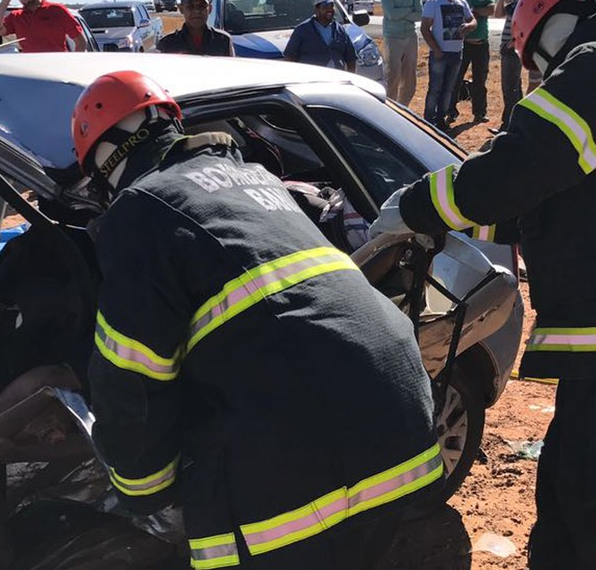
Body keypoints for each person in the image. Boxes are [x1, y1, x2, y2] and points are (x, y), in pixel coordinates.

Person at [368, 0, 596, 569]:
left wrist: (415, 207)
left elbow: (516, 170)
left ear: (544, 30)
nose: (534, 78)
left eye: (532, 63)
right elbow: (545, 205)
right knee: (566, 518)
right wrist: (446, 221)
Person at [72, 71, 442, 570]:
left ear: (103, 160)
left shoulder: (139, 209)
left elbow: (131, 376)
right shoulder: (255, 177)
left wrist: (139, 487)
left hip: (299, 448)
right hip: (401, 418)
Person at [420, 0, 476, 130]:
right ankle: (428, 121)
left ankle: (441, 120)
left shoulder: (462, 3)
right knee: (435, 89)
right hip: (439, 54)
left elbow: (473, 20)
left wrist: (469, 26)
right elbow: (424, 28)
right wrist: (436, 49)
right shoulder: (433, 3)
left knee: (448, 90)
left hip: (456, 54)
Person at [448, 0, 495, 123]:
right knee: (456, 79)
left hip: (481, 44)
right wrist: (479, 11)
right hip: (463, 44)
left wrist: (473, 11)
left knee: (480, 80)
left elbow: (491, 10)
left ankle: (479, 112)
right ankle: (451, 112)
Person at [0, 0, 87, 53]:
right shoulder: (16, 16)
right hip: (30, 69)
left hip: (57, 67)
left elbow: (80, 42)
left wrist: (71, 65)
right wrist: (4, 3)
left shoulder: (56, 10)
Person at [283, 0, 357, 72]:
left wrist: (351, 77)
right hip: (311, 81)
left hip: (337, 81)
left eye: (331, 6)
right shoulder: (302, 30)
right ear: (316, 9)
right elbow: (289, 57)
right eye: (325, 6)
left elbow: (351, 57)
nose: (329, 10)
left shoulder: (340, 30)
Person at [381, 0, 423, 105]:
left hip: (410, 35)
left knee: (410, 77)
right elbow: (391, 14)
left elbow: (419, 15)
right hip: (392, 36)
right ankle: (390, 107)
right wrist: (409, 10)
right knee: (392, 75)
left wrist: (400, 13)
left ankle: (403, 108)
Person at [157, 0, 235, 56]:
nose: (196, 11)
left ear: (210, 9)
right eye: (190, 6)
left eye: (201, 6)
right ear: (181, 9)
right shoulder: (167, 44)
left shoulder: (223, 41)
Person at [494, 0, 522, 130]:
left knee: (510, 87)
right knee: (514, 86)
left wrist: (513, 42)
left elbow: (524, 25)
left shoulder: (522, 5)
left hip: (512, 49)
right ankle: (515, 121)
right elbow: (498, 14)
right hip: (508, 48)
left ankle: (508, 124)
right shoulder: (514, 5)